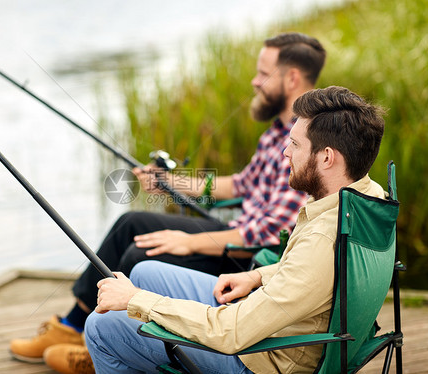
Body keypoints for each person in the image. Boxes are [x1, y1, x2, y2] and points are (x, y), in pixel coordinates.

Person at [9, 32, 326, 367]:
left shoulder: (304, 145)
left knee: (142, 250)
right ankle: (73, 326)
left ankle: (105, 345)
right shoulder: (276, 132)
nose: (254, 81)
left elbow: (265, 233)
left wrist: (189, 243)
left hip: (246, 258)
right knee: (132, 223)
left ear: (291, 78)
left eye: (263, 74)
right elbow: (239, 184)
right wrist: (170, 182)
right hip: (233, 235)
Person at [61, 85, 387, 374]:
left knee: (101, 327)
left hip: (260, 357)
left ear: (327, 157)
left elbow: (231, 333)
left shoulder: (322, 237)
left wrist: (137, 301)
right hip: (272, 319)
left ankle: (110, 339)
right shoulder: (367, 198)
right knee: (144, 270)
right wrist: (259, 276)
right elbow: (314, 277)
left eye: (296, 145)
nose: (286, 153)